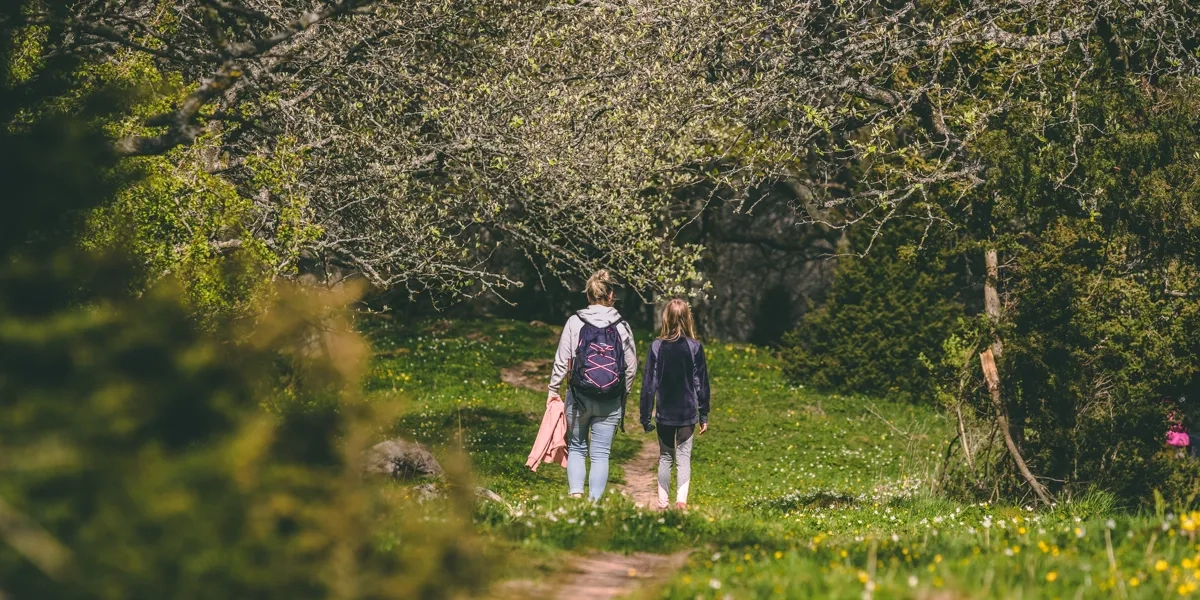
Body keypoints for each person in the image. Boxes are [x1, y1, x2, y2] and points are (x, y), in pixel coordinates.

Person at [547, 270, 637, 500]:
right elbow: (631, 365)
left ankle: (576, 496)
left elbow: (562, 359)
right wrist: (622, 394)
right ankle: (594, 504)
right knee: (601, 454)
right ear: (611, 295)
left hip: (578, 397)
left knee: (577, 447)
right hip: (610, 400)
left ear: (588, 295)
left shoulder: (574, 322)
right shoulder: (622, 325)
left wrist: (553, 390)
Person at [640, 299, 710, 510]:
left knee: (665, 458)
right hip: (687, 412)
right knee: (684, 458)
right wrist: (704, 414)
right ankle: (681, 501)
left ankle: (662, 502)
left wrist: (645, 416)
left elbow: (648, 385)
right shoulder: (695, 347)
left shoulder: (656, 346)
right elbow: (701, 383)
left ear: (666, 318)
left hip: (665, 413)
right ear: (688, 318)